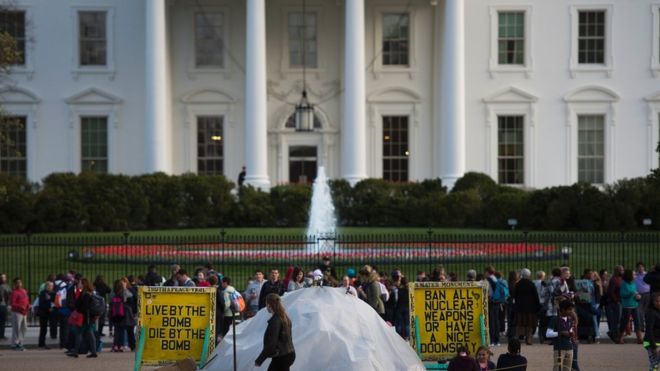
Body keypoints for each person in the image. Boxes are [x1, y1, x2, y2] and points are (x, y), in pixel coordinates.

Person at [255, 294, 295, 370]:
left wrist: (260, 360)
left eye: (266, 304)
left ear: (269, 305)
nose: (266, 307)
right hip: (289, 354)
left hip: (282, 356)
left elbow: (271, 344)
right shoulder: (285, 317)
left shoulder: (275, 321)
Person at [67, 278, 98, 358]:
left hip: (84, 317)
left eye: (80, 283)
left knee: (78, 333)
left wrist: (77, 308)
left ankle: (76, 352)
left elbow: (83, 307)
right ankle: (93, 351)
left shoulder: (85, 294)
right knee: (90, 334)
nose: (78, 284)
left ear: (83, 284)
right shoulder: (89, 293)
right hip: (88, 318)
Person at [618, 269, 642, 344]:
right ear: (629, 275)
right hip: (627, 306)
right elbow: (622, 295)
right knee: (624, 322)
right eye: (633, 274)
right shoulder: (623, 284)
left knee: (638, 322)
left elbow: (635, 293)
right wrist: (631, 293)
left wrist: (637, 296)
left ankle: (639, 338)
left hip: (635, 305)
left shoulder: (633, 283)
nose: (635, 276)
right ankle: (620, 338)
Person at [552, 300, 575, 371]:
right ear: (563, 310)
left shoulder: (570, 319)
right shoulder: (555, 319)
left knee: (567, 368)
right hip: (559, 348)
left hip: (569, 347)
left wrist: (571, 333)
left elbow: (570, 329)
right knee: (557, 368)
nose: (571, 311)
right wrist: (561, 333)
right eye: (569, 309)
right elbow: (548, 333)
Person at [9, 277, 29, 351]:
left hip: (24, 312)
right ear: (15, 284)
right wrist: (21, 306)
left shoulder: (24, 291)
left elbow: (26, 299)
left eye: (20, 282)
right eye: (17, 282)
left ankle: (20, 343)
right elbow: (12, 303)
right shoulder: (14, 292)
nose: (19, 284)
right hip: (17, 312)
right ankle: (15, 344)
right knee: (16, 329)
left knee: (24, 328)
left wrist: (27, 306)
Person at [643, 292, 660, 371]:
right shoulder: (651, 313)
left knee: (655, 364)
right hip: (652, 342)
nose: (658, 303)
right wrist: (654, 346)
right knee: (654, 365)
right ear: (652, 302)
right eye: (656, 301)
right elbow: (649, 330)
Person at [37, 281, 55, 349]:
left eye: (52, 286)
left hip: (48, 312)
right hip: (43, 313)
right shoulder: (43, 293)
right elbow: (42, 303)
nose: (51, 287)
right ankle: (41, 344)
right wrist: (48, 308)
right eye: (50, 286)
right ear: (47, 286)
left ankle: (42, 343)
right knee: (43, 329)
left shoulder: (52, 293)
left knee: (45, 329)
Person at [0, 273, 9, 340]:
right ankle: (1, 335)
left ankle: (2, 335)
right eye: (3, 277)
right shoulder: (4, 286)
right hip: (2, 305)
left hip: (3, 305)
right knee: (2, 321)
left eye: (4, 277)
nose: (4, 279)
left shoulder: (6, 285)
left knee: (2, 321)